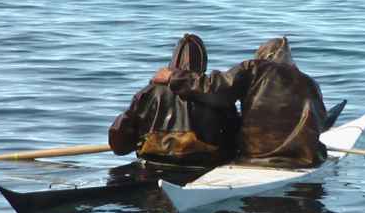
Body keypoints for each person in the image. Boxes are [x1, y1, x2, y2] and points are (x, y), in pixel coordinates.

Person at [152, 36, 328, 168]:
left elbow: (215, 87)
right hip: (304, 162)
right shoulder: (311, 84)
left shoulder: (255, 68)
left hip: (256, 160)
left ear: (262, 56)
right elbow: (320, 123)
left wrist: (173, 76)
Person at [108, 33, 239, 168]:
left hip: (152, 165)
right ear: (203, 64)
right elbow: (235, 143)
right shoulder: (217, 95)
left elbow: (119, 146)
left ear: (172, 61)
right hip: (202, 168)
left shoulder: (148, 93)